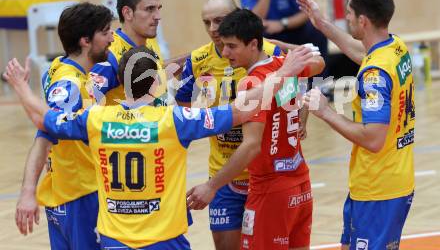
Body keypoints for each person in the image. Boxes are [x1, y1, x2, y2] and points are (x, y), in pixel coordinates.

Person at [4, 44, 316, 249]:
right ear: (156, 82)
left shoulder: (95, 119)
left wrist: (20, 86)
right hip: (164, 240)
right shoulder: (174, 121)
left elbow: (44, 119)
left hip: (115, 241)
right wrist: (283, 74)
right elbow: (242, 109)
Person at [187, 9, 325, 250]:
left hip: (271, 190)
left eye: (231, 46)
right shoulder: (284, 65)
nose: (225, 52)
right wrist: (283, 47)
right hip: (301, 185)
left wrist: (211, 186)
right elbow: (319, 61)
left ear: (253, 44)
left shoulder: (251, 83)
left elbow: (251, 145)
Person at [298, 0, 415, 249]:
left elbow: (373, 139)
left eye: (349, 13)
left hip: (380, 188)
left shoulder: (374, 75)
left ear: (362, 20)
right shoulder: (395, 47)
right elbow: (362, 53)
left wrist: (325, 112)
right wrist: (321, 23)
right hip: (381, 180)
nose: (347, 17)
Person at [175, 0, 282, 250]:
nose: (213, 29)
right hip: (223, 172)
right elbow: (182, 109)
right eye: (207, 22)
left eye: (219, 21)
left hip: (264, 173)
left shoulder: (268, 53)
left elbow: (298, 84)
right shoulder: (198, 60)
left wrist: (299, 120)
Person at [15, 2, 114, 249]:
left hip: (68, 195)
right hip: (80, 196)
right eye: (105, 32)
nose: (112, 37)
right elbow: (47, 129)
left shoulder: (59, 69)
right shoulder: (70, 83)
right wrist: (28, 192)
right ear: (85, 40)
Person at [90, 0, 186, 106]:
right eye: (150, 9)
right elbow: (87, 106)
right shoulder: (110, 56)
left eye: (158, 9)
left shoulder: (149, 39)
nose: (158, 16)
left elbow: (156, 70)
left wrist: (196, 57)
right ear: (128, 13)